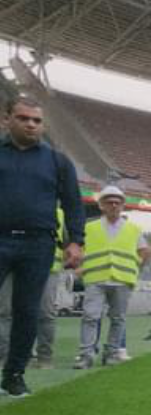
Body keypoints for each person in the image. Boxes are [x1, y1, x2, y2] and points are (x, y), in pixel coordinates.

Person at [0, 95, 85, 396]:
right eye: (23, 118)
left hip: (38, 245)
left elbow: (74, 205)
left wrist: (75, 241)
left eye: (37, 120)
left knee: (27, 311)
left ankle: (13, 375)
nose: (31, 125)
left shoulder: (58, 161)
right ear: (6, 119)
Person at [74, 186, 150, 369]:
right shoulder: (89, 227)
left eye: (117, 202)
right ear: (101, 205)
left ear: (123, 205)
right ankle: (86, 355)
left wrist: (135, 267)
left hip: (122, 280)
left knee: (118, 319)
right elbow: (78, 250)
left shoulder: (134, 229)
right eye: (109, 201)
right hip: (96, 279)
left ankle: (111, 353)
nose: (114, 205)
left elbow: (145, 251)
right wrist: (79, 267)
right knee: (90, 317)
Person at [0, 208, 67, 369]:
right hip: (8, 264)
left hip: (46, 266)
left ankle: (44, 357)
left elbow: (68, 242)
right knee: (5, 311)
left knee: (45, 312)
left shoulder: (59, 213)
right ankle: (6, 356)